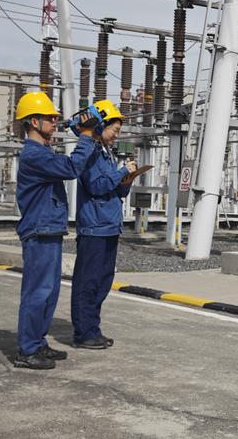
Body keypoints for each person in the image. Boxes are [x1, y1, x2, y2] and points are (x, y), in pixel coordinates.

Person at [14, 91, 96, 370]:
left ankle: (38, 342)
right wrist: (85, 136)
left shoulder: (43, 152)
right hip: (39, 230)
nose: (54, 121)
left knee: (49, 292)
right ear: (33, 121)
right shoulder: (33, 155)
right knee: (37, 292)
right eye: (49, 117)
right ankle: (27, 349)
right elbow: (71, 168)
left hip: (48, 229)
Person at [72, 100, 136, 350]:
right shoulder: (89, 154)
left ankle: (92, 328)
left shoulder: (105, 154)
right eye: (115, 130)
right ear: (100, 126)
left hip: (109, 225)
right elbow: (97, 186)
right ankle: (84, 333)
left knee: (102, 281)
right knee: (88, 282)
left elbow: (114, 192)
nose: (116, 135)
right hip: (94, 227)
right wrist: (120, 172)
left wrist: (126, 179)